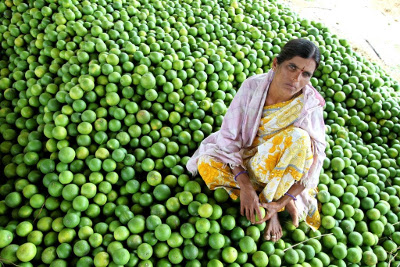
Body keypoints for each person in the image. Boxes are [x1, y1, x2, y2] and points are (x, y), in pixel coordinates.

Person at [186, 38, 326, 242]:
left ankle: (272, 206)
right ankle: (257, 197)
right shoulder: (253, 86)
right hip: (246, 158)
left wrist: (281, 201)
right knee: (206, 163)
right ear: (276, 63)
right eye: (292, 67)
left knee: (300, 139)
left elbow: (313, 163)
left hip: (280, 170)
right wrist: (245, 185)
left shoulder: (308, 105)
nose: (297, 78)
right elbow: (229, 138)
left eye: (305, 74)